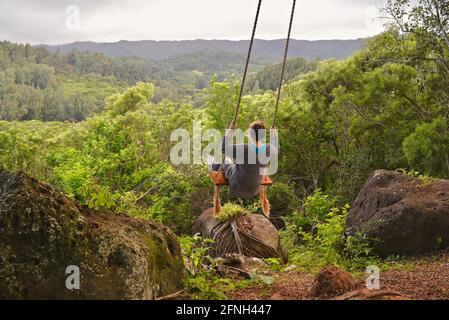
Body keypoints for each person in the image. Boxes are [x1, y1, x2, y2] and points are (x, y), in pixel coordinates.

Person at [208, 120, 278, 216]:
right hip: (254, 189)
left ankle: (211, 164)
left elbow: (223, 148)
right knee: (233, 161)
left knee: (220, 161)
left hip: (237, 186)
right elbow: (276, 150)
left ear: (250, 134)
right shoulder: (268, 149)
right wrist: (274, 135)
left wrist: (230, 130)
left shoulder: (244, 148)